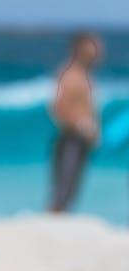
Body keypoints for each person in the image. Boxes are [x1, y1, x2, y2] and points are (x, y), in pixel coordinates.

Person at [48, 32, 103, 214]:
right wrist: (82, 126)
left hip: (80, 140)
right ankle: (51, 225)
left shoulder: (85, 75)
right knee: (62, 193)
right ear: (81, 49)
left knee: (70, 193)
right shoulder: (70, 75)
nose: (98, 51)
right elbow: (58, 107)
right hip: (71, 139)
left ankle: (57, 225)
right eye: (93, 47)